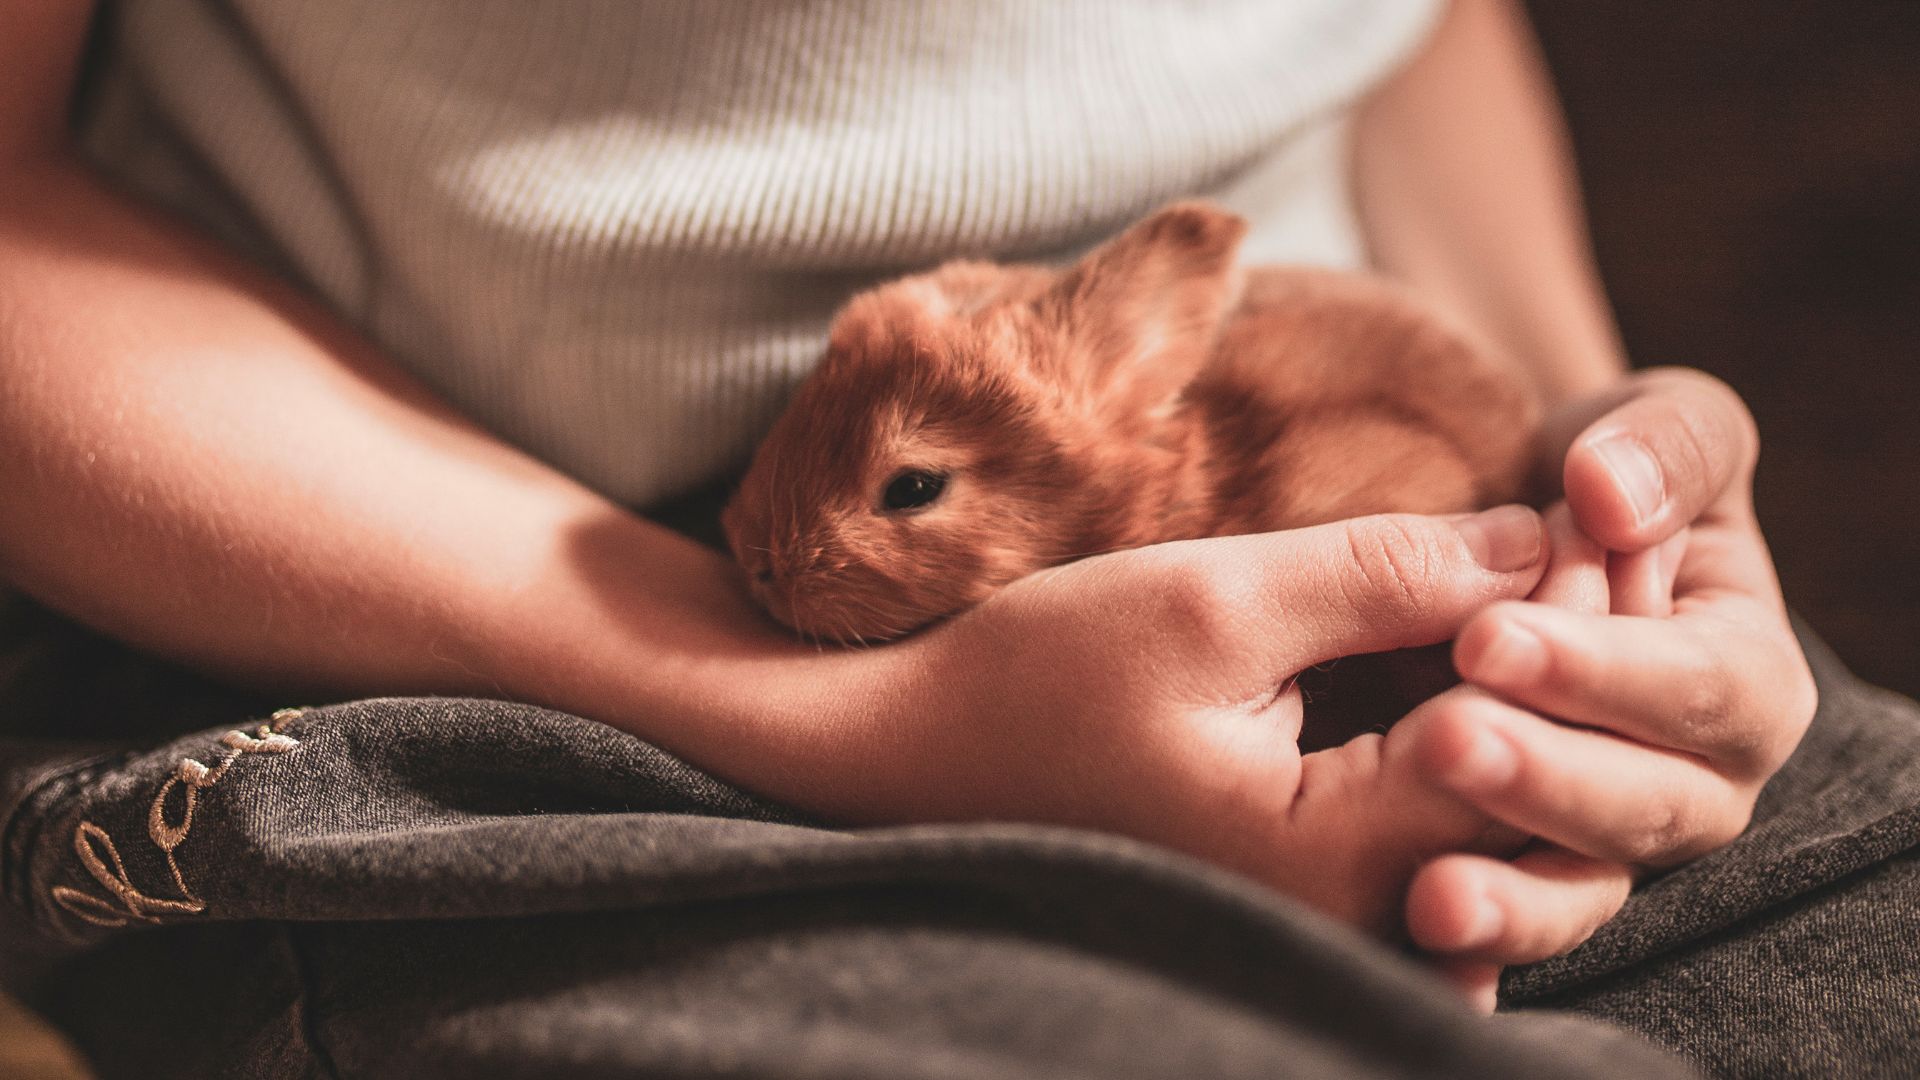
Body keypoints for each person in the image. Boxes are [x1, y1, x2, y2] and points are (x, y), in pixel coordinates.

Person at [5, 2, 1905, 1077]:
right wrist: (833, 708)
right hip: (443, 629)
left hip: (1378, 607)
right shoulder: (795, 543)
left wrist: (1606, 489)